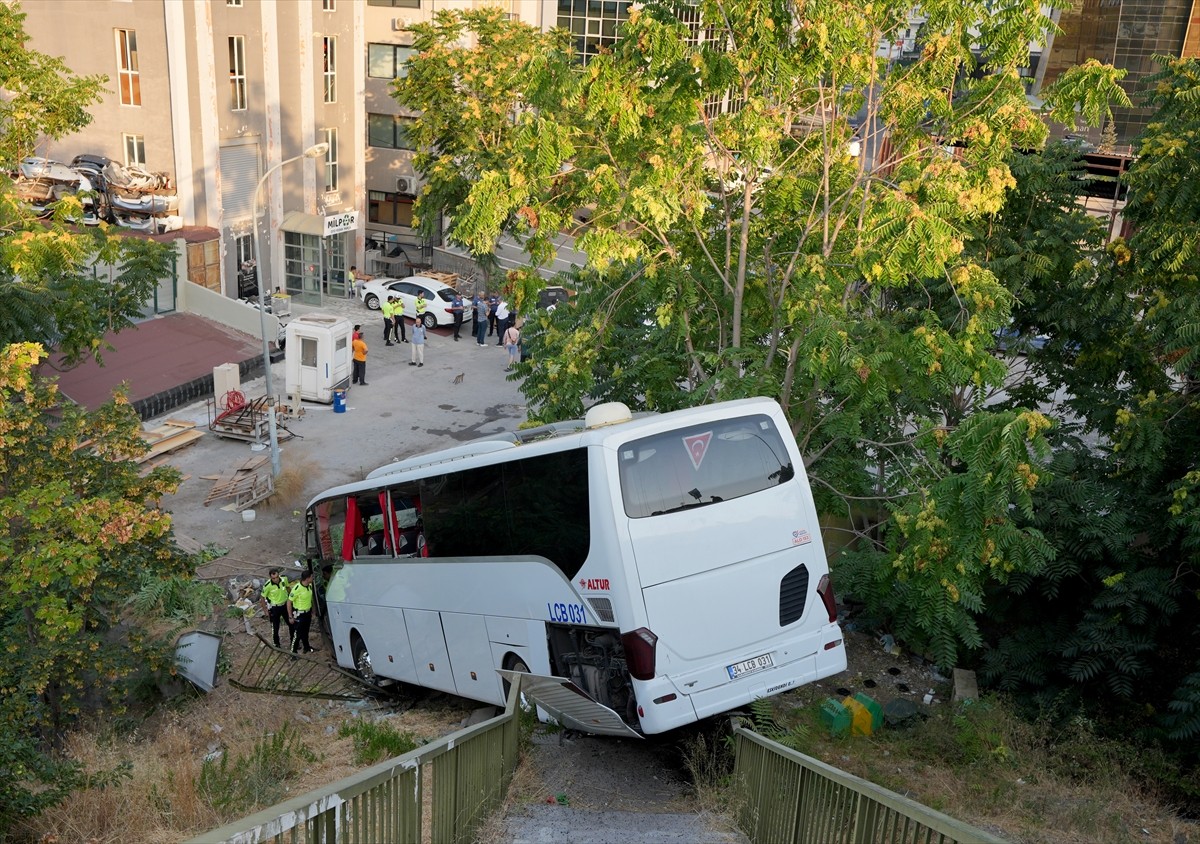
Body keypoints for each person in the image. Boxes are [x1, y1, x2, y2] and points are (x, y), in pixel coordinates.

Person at [259, 568, 293, 648]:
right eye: (273, 578)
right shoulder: (267, 586)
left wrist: (291, 598)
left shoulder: (284, 579)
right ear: (270, 578)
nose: (275, 579)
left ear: (279, 575)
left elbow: (288, 588)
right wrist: (265, 610)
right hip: (275, 608)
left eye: (277, 577)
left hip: (285, 606)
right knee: (275, 627)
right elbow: (262, 598)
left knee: (291, 624)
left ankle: (293, 642)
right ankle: (276, 644)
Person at [287, 570, 316, 654]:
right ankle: (293, 652)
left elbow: (311, 599)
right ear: (307, 579)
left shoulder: (309, 586)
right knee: (297, 633)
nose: (312, 578)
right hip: (299, 614)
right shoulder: (297, 588)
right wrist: (290, 616)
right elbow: (289, 602)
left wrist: (313, 610)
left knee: (306, 631)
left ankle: (306, 647)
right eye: (311, 577)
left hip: (307, 612)